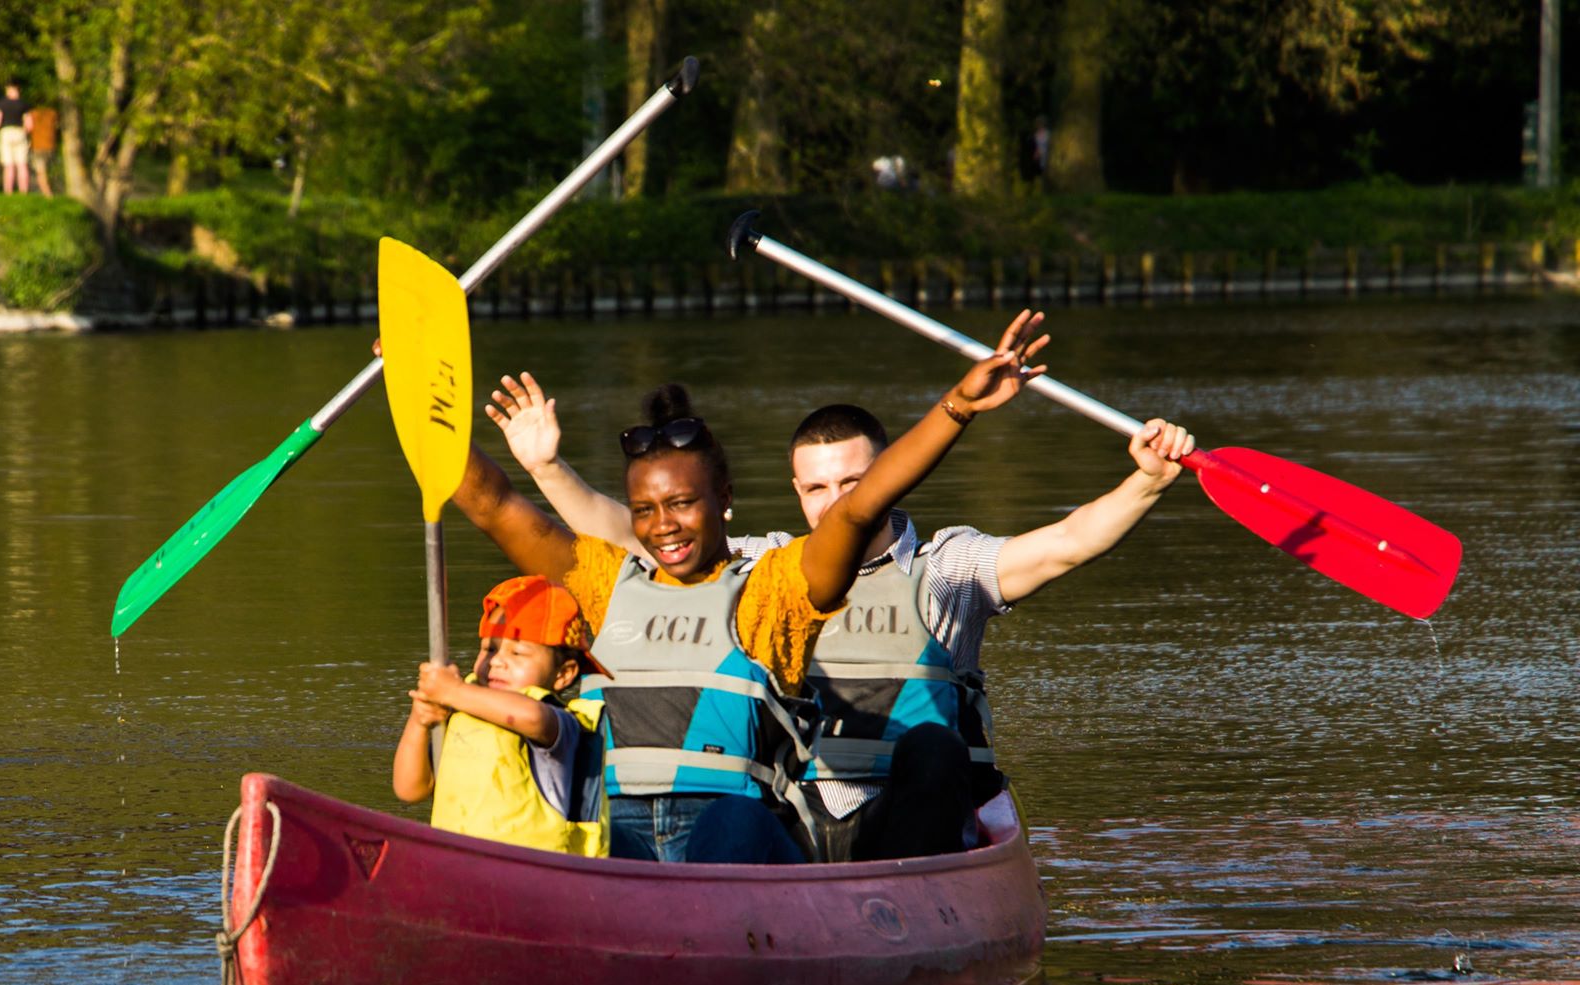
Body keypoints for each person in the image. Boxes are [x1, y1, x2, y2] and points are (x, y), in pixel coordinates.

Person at [490, 385, 1197, 861]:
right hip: (799, 822)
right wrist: (548, 467)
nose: (834, 504)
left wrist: (1145, 481)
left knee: (934, 749)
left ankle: (912, 915)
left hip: (907, 825)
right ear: (796, 492)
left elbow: (1068, 541)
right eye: (816, 487)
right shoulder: (765, 568)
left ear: (887, 475)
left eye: (852, 484)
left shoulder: (948, 568)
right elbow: (631, 544)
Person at [456, 312, 1047, 865]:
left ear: (726, 500)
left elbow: (858, 509)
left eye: (683, 504)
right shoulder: (604, 580)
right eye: (645, 509)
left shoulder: (772, 592)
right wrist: (427, 405)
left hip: (738, 849)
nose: (663, 525)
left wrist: (957, 407)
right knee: (566, 835)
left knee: (731, 823)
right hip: (623, 846)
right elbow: (493, 504)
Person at [393, 575, 612, 857]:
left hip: (535, 875)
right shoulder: (462, 708)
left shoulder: (559, 723)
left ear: (563, 674)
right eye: (489, 649)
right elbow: (410, 789)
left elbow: (531, 717)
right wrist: (419, 722)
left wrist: (453, 691)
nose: (496, 661)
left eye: (518, 652)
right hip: (458, 866)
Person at [0, 83, 32, 194]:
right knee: (22, 164)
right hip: (19, 132)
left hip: (6, 132)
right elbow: (29, 125)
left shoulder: (0, 104)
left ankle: (8, 191)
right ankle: (24, 191)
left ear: (8, 90)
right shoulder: (24, 105)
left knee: (8, 165)